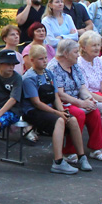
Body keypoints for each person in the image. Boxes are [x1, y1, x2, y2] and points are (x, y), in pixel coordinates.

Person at [19, 44, 79, 175]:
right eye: (41, 59)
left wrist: (62, 111)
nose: (45, 61)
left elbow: (56, 96)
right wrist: (58, 114)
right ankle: (58, 161)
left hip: (48, 109)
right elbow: (36, 103)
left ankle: (82, 156)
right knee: (59, 121)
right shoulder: (29, 78)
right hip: (32, 111)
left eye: (46, 58)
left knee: (72, 119)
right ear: (32, 60)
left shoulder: (49, 74)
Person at [50, 38, 102, 168]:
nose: (78, 55)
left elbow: (82, 87)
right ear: (66, 54)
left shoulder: (74, 65)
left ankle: (96, 148)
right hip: (60, 103)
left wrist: (88, 99)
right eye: (75, 52)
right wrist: (81, 103)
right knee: (79, 114)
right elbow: (60, 94)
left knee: (94, 111)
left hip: (76, 100)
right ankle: (69, 151)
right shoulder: (54, 67)